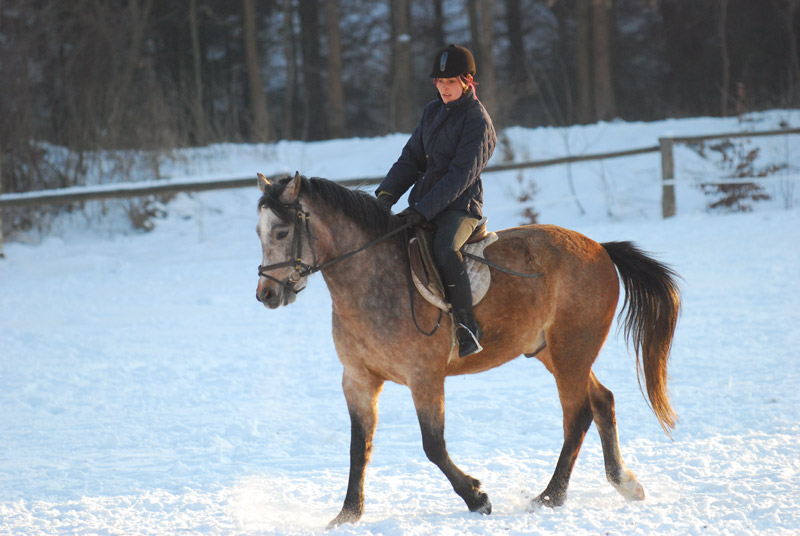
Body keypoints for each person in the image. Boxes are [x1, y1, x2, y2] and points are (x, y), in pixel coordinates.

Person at [375, 43, 497, 358]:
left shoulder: (478, 122)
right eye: (440, 82)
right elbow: (411, 159)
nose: (444, 88)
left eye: (451, 82)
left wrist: (421, 210)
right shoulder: (432, 112)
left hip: (461, 207)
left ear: (468, 81)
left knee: (445, 247)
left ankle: (467, 327)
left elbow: (460, 176)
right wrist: (385, 197)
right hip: (424, 204)